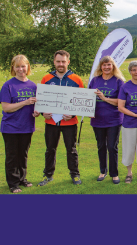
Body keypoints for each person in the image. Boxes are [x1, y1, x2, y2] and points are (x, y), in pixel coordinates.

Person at [38, 50, 84, 186]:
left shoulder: (76, 79)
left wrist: (73, 114)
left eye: (63, 61)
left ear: (68, 62)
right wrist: (42, 113)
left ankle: (75, 174)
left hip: (70, 122)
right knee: (50, 149)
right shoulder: (46, 79)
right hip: (51, 122)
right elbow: (41, 100)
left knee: (71, 149)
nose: (61, 64)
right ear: (54, 62)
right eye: (58, 61)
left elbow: (81, 101)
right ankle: (47, 175)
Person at [0, 55, 40, 193]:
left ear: (28, 67)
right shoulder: (8, 85)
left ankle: (22, 179)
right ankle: (13, 183)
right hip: (10, 127)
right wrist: (25, 102)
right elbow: (6, 108)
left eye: (23, 66)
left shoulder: (33, 85)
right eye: (18, 66)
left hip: (27, 126)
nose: (21, 69)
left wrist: (36, 112)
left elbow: (35, 106)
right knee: (12, 156)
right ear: (13, 68)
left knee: (23, 154)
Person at [89, 56, 125, 184]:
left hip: (113, 120)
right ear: (100, 67)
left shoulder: (118, 81)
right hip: (97, 120)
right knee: (101, 146)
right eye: (104, 65)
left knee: (112, 146)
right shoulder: (95, 80)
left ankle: (114, 174)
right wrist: (88, 111)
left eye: (109, 65)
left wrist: (105, 99)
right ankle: (102, 171)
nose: (106, 67)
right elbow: (88, 99)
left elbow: (121, 102)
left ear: (113, 66)